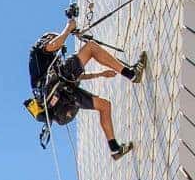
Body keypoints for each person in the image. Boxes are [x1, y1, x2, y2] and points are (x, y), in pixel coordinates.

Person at [29, 15, 147, 161]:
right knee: (90, 47)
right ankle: (132, 74)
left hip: (63, 94)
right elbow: (54, 45)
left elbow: (74, 77)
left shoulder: (53, 66)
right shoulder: (38, 50)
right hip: (58, 90)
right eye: (53, 37)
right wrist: (68, 28)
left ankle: (115, 149)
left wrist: (100, 74)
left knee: (104, 106)